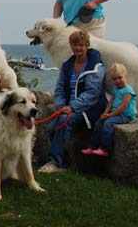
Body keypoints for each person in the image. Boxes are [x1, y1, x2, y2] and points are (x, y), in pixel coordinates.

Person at [38, 31, 107, 173]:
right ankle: (64, 162)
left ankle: (55, 162)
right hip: (68, 108)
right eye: (75, 45)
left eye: (81, 45)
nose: (78, 48)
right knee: (51, 128)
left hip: (89, 109)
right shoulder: (67, 65)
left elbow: (92, 94)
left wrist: (72, 107)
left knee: (63, 121)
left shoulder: (95, 66)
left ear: (87, 45)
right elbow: (60, 88)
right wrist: (61, 106)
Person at [82, 63, 137, 157]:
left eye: (120, 77)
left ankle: (104, 149)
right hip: (116, 113)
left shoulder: (128, 90)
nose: (118, 81)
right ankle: (92, 146)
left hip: (125, 115)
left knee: (108, 124)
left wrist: (110, 116)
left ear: (126, 75)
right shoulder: (116, 89)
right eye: (114, 79)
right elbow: (111, 101)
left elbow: (123, 106)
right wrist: (105, 113)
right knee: (99, 122)